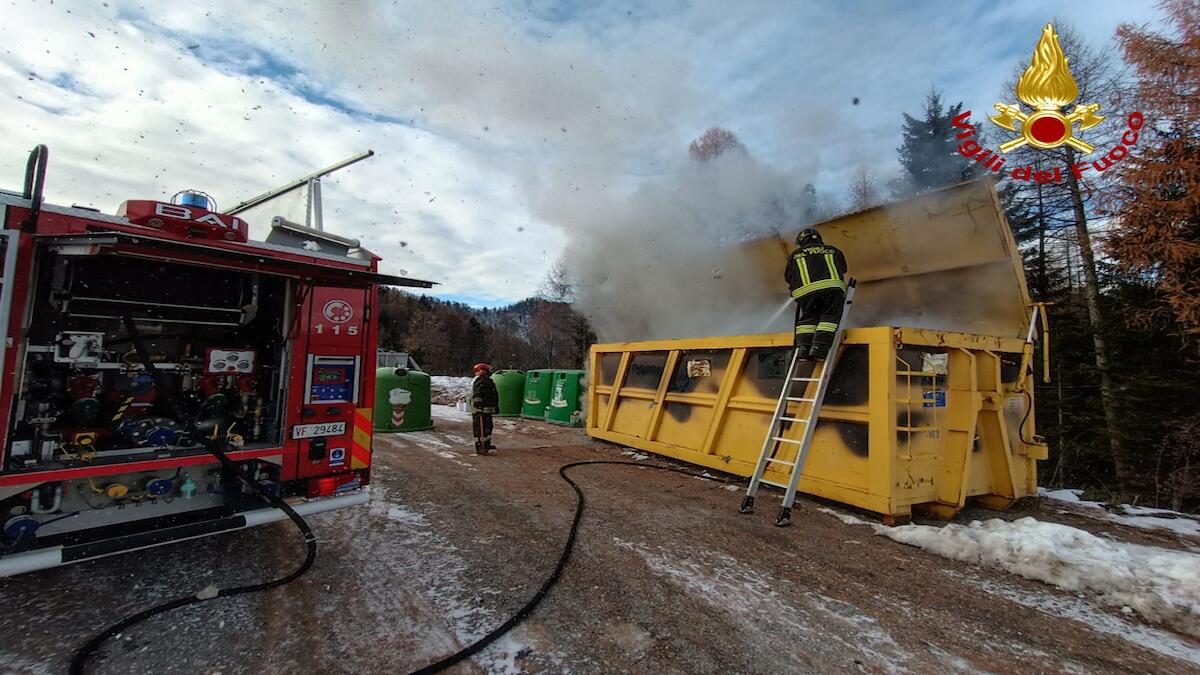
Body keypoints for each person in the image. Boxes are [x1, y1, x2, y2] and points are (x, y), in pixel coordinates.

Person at [785, 227, 849, 360]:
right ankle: (819, 347)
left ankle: (803, 349)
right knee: (829, 316)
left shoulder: (795, 255)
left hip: (806, 294)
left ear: (801, 241)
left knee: (808, 319)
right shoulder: (833, 250)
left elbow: (788, 276)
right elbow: (843, 268)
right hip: (832, 290)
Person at [470, 362, 499, 455]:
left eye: (477, 370)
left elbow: (480, 394)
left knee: (485, 428)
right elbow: (478, 394)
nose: (475, 372)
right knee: (483, 429)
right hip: (482, 410)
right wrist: (478, 405)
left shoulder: (483, 381)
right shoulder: (483, 381)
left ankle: (485, 445)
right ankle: (481, 446)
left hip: (483, 410)